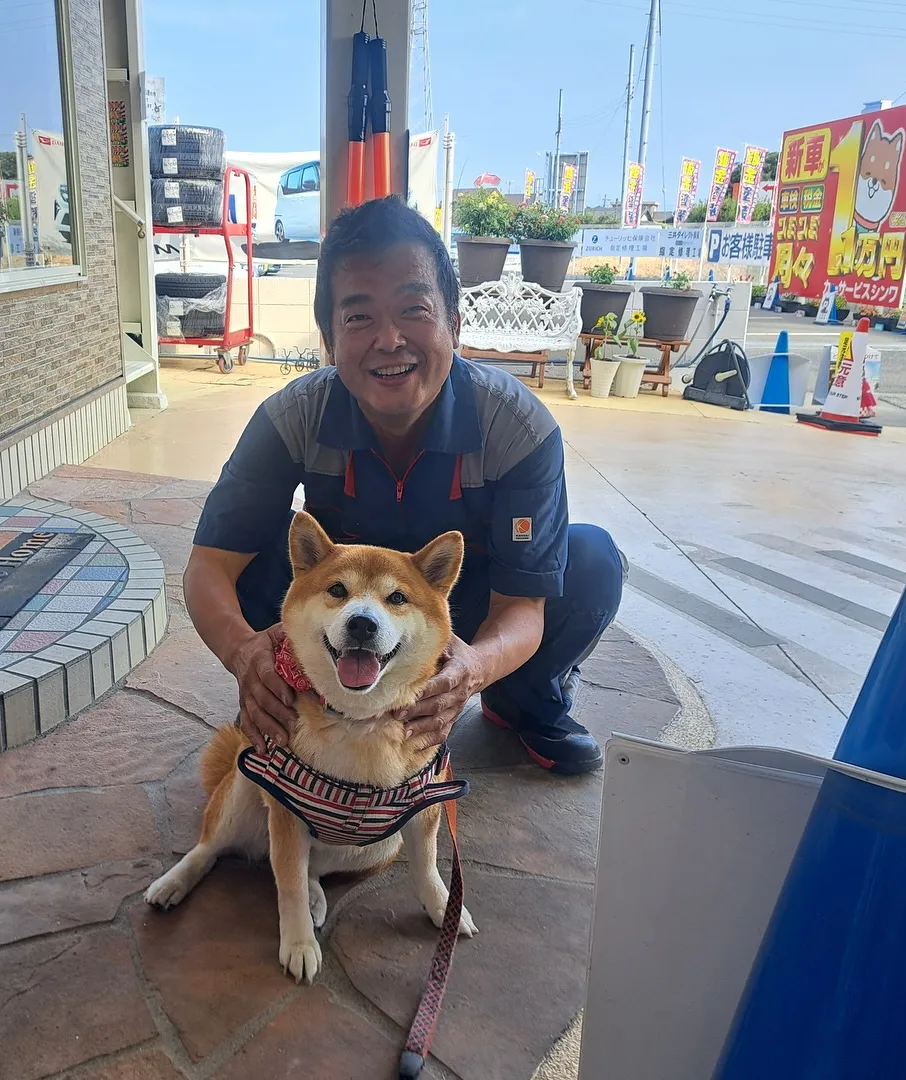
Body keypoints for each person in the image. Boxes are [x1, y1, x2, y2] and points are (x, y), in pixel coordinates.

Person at [184, 196, 625, 775]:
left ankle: (523, 700)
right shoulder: (293, 419)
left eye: (414, 310)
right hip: (346, 618)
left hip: (459, 614)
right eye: (359, 317)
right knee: (261, 554)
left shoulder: (515, 428)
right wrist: (244, 654)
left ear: (454, 321)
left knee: (591, 560)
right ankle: (303, 696)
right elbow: (208, 567)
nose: (389, 340)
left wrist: (477, 666)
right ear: (329, 337)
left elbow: (524, 605)